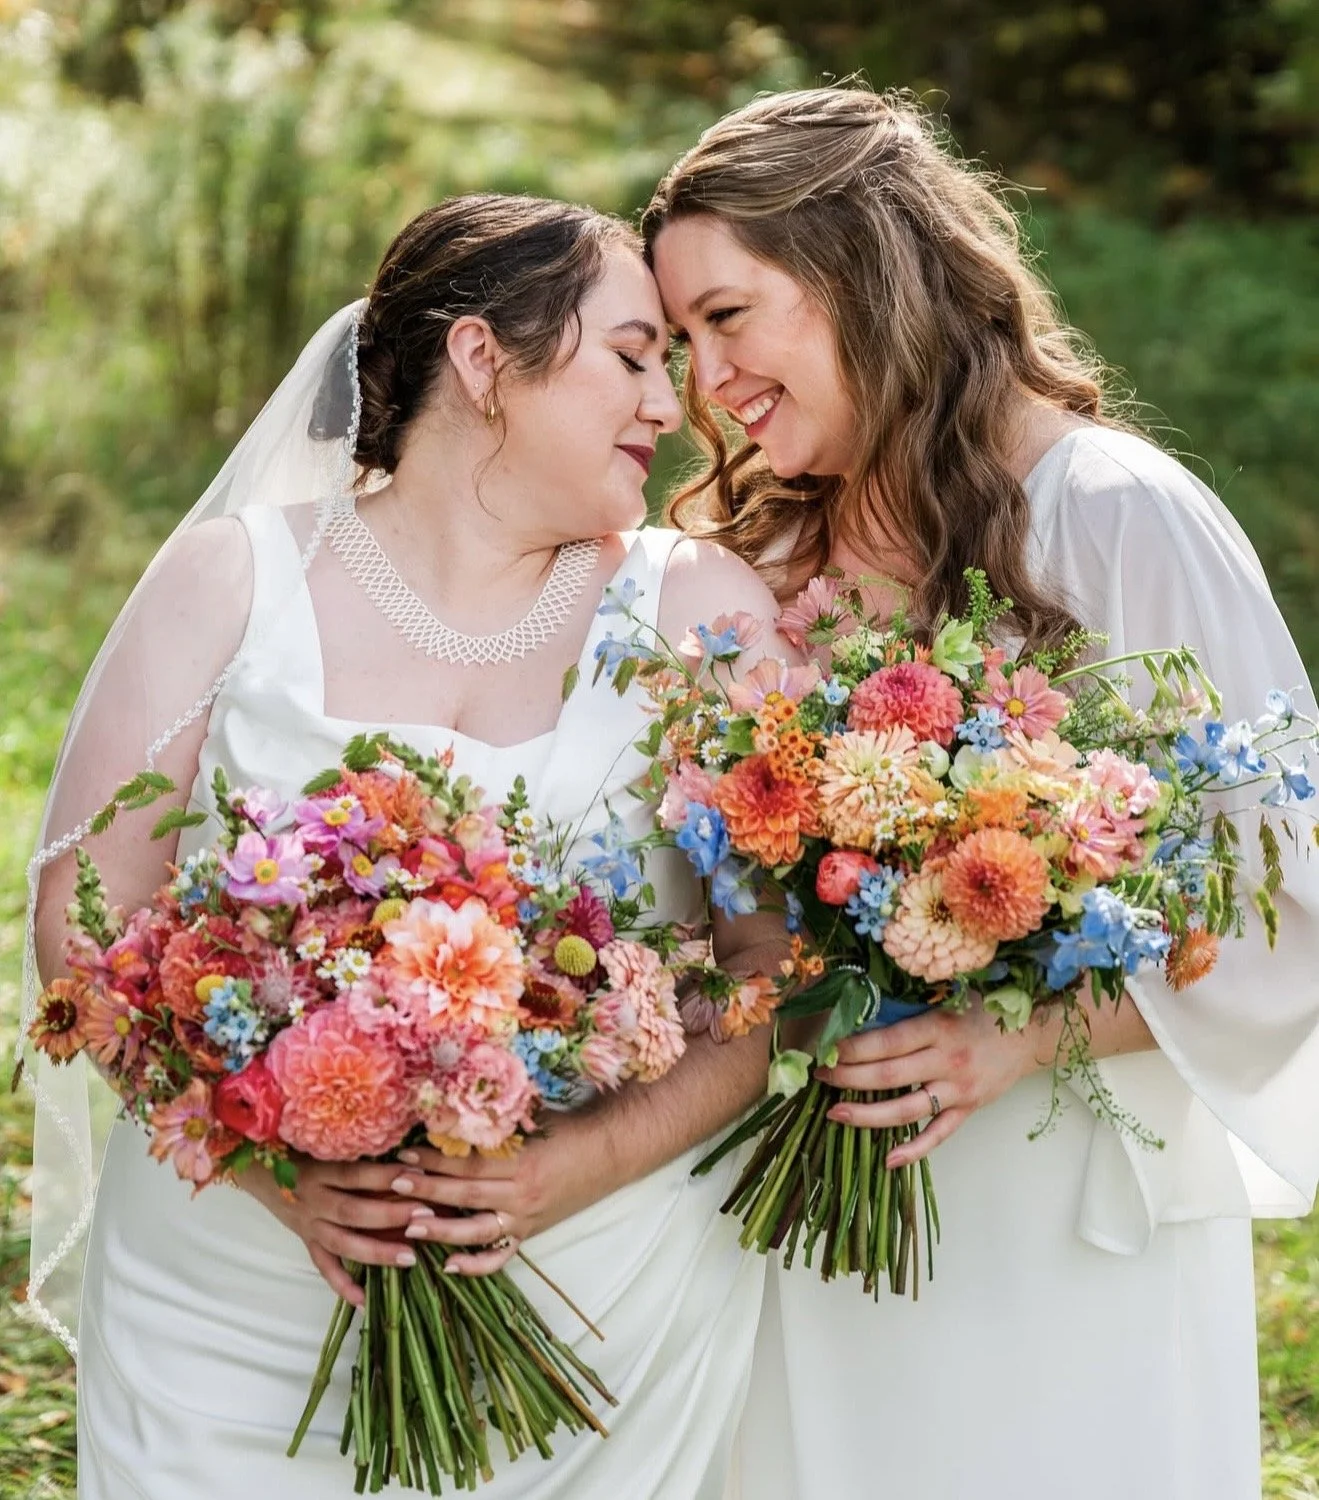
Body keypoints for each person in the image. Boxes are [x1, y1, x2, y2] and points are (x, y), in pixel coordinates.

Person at [26, 193, 795, 1498]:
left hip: (597, 1298)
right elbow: (81, 934)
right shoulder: (231, 581)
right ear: (483, 360)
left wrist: (562, 1172)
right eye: (629, 356)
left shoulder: (694, 611)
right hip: (226, 1298)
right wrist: (283, 1180)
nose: (672, 407)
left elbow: (763, 978)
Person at [643, 85, 1319, 1500]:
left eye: (727, 317)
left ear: (855, 270)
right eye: (678, 338)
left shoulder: (1110, 509)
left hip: (1044, 1196)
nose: (707, 384)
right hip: (796, 1199)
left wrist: (1011, 1039)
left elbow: (1280, 894)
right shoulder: (760, 550)